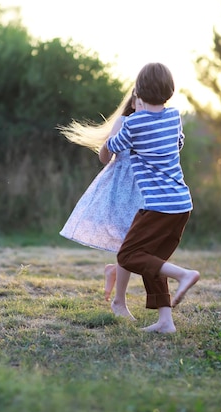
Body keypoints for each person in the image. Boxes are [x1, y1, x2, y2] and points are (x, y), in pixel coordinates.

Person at [103, 62, 200, 333]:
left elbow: (111, 149)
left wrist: (112, 137)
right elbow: (179, 143)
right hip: (182, 204)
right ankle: (165, 322)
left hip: (157, 207)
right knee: (153, 261)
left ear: (138, 92)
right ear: (170, 90)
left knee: (129, 255)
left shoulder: (134, 123)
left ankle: (184, 274)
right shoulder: (174, 116)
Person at [59, 88, 143, 320]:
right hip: (121, 189)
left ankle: (115, 270)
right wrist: (108, 146)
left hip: (144, 188)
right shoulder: (123, 122)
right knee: (128, 242)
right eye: (140, 101)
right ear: (133, 103)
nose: (145, 106)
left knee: (143, 243)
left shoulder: (154, 124)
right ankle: (120, 302)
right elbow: (106, 158)